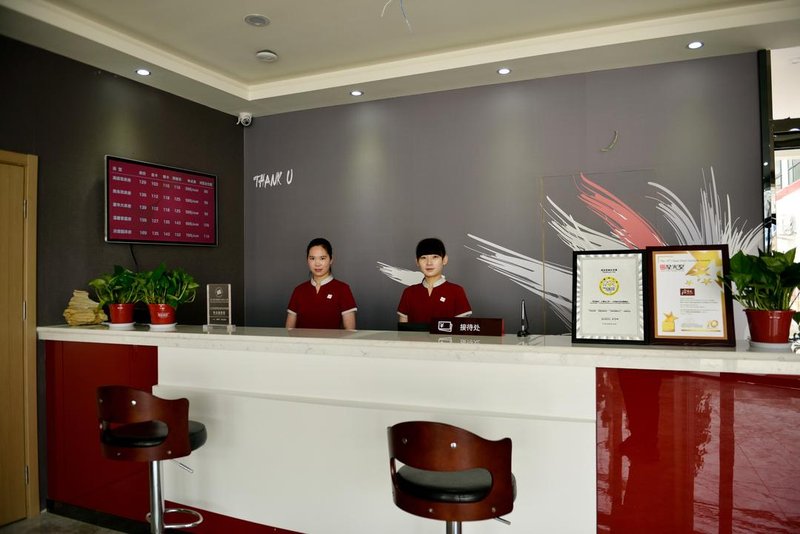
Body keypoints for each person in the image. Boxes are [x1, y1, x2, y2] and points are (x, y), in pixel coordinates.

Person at [286, 238, 357, 330]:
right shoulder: (299, 291)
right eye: (312, 258)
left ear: (331, 259)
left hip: (332, 340)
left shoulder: (343, 289)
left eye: (322, 258)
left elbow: (350, 332)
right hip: (302, 340)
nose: (317, 263)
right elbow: (289, 331)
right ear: (307, 260)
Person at [397, 237, 472, 325]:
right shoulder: (409, 293)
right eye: (423, 258)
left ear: (444, 260)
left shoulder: (456, 291)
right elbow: (403, 330)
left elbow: (460, 330)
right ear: (417, 262)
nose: (429, 263)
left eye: (435, 257)